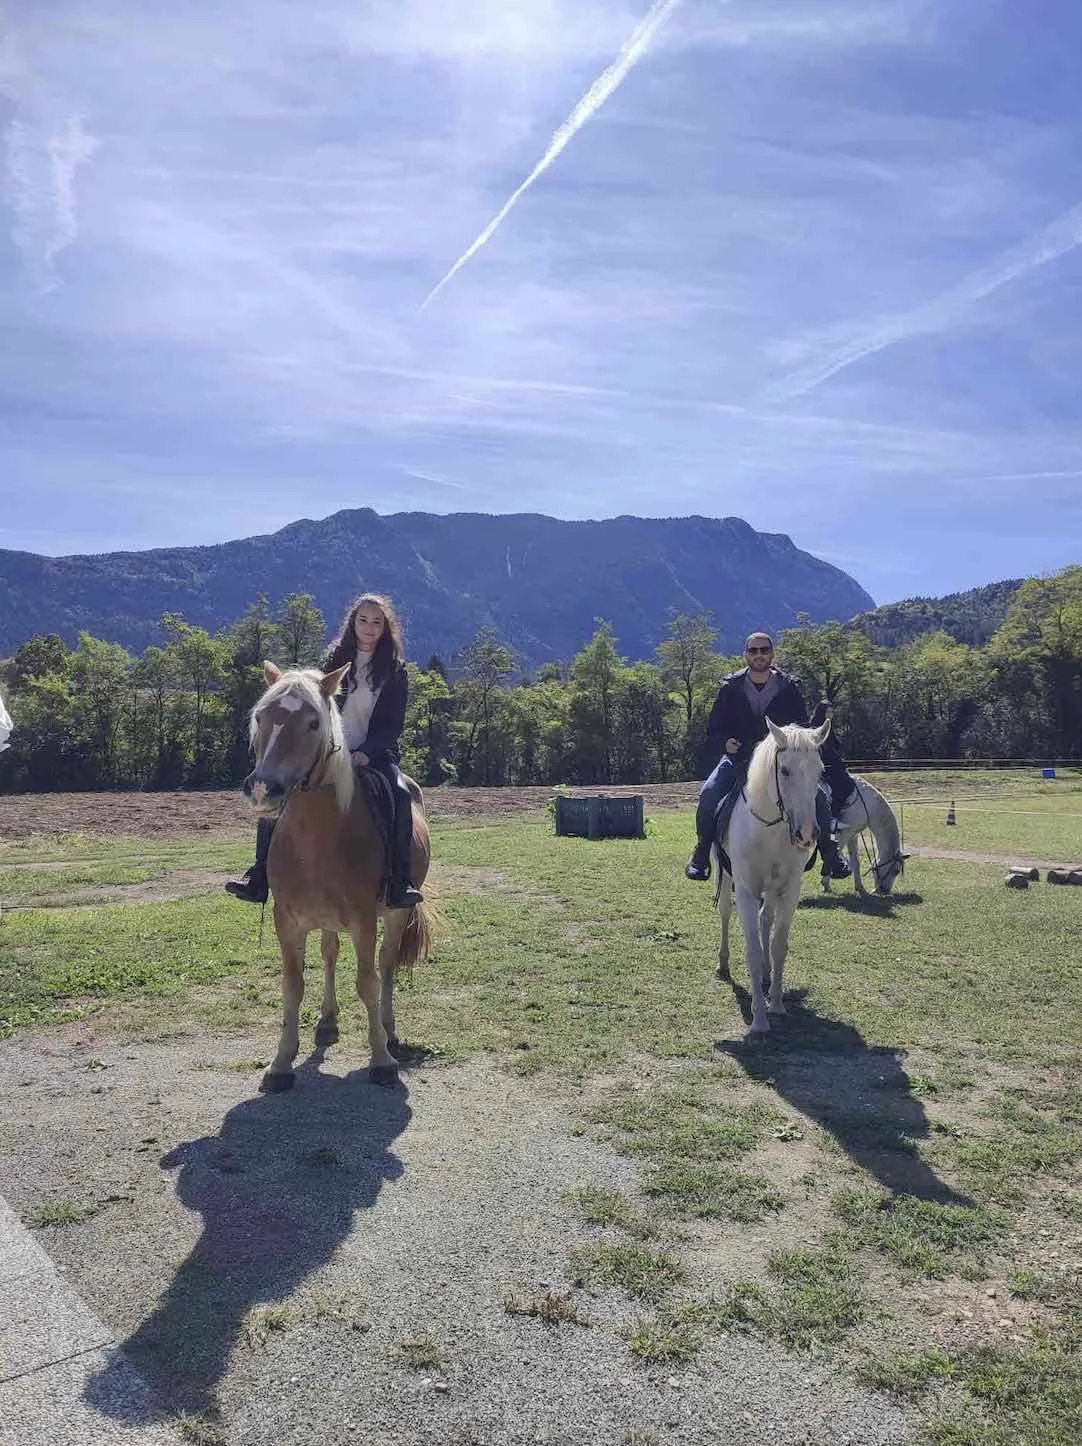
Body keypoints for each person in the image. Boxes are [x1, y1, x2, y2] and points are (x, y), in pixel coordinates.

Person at [225, 592, 424, 909]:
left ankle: (400, 881)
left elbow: (392, 725)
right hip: (330, 755)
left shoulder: (395, 670)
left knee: (400, 794)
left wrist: (366, 753)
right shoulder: (332, 661)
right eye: (363, 621)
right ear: (352, 623)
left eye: (377, 622)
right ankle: (259, 875)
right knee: (277, 795)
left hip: (374, 756)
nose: (370, 628)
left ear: (386, 627)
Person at [684, 631, 851, 882]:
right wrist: (724, 743)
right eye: (753, 650)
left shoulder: (789, 686)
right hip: (739, 758)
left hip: (781, 762)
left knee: (817, 794)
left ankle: (830, 853)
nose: (759, 655)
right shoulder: (730, 687)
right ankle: (701, 854)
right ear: (746, 655)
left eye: (764, 650)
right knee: (709, 793)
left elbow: (802, 726)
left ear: (772, 654)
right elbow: (713, 729)